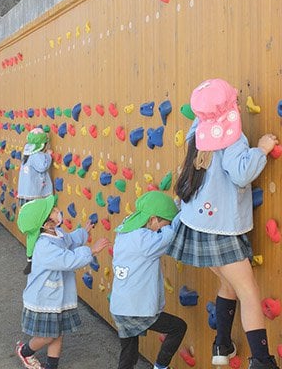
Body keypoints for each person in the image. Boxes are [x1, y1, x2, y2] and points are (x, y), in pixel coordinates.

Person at [167, 78, 279, 369]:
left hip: (197, 225)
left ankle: (222, 345)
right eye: (235, 100)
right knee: (249, 292)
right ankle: (262, 361)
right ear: (229, 107)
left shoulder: (198, 131)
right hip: (220, 230)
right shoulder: (232, 137)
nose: (239, 103)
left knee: (228, 284)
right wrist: (262, 149)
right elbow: (242, 173)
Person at [16, 195, 109, 369]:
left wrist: (84, 231)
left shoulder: (56, 234)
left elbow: (70, 240)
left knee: (57, 333)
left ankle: (52, 366)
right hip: (45, 298)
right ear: (46, 224)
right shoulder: (44, 246)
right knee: (48, 336)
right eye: (54, 210)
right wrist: (92, 250)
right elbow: (68, 260)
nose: (59, 210)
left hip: (56, 296)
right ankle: (25, 351)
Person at [110, 191, 187, 369]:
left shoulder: (126, 230)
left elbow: (158, 225)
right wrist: (180, 214)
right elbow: (169, 236)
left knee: (129, 355)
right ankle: (160, 366)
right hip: (136, 309)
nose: (161, 229)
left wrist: (174, 207)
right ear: (152, 220)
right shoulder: (145, 241)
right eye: (162, 224)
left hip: (120, 306)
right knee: (178, 327)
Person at [17, 127, 53, 274]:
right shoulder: (37, 155)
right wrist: (49, 156)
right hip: (35, 198)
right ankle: (34, 260)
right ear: (43, 145)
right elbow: (42, 166)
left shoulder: (27, 154)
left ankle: (31, 259)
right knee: (37, 229)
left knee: (33, 229)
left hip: (26, 197)